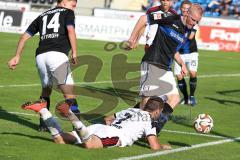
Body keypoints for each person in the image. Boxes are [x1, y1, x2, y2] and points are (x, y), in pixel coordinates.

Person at [129, 4, 203, 133]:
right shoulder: (169, 18)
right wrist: (132, 39)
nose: (195, 23)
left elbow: (173, 50)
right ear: (187, 14)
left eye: (198, 21)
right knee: (147, 100)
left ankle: (154, 131)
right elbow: (143, 19)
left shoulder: (187, 31)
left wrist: (182, 64)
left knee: (174, 99)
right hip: (153, 62)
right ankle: (132, 127)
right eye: (194, 20)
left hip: (166, 67)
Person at [7, 0, 80, 131]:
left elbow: (24, 37)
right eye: (73, 5)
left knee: (46, 89)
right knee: (69, 93)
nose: (74, 8)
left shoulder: (42, 16)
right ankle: (78, 128)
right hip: (57, 56)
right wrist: (74, 52)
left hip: (41, 57)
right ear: (64, 2)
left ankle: (43, 125)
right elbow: (70, 30)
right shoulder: (68, 12)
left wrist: (17, 56)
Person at [21, 97, 172, 150]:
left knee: (60, 140)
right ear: (157, 111)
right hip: (114, 135)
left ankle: (43, 111)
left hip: (101, 127)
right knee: (90, 146)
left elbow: (107, 118)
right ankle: (70, 114)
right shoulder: (148, 121)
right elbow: (154, 146)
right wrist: (163, 147)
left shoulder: (130, 110)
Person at [174, 0, 199, 106]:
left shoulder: (193, 20)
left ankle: (192, 97)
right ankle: (185, 97)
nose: (185, 10)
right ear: (180, 8)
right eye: (183, 8)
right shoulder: (175, 20)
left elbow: (190, 37)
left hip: (191, 52)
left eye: (187, 8)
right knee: (179, 76)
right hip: (178, 53)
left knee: (193, 73)